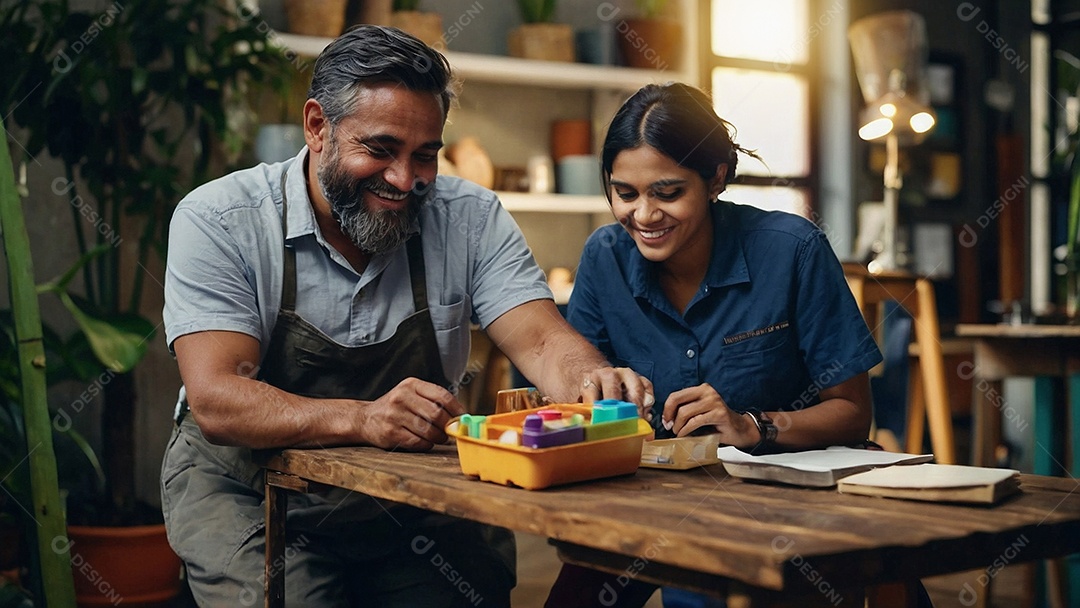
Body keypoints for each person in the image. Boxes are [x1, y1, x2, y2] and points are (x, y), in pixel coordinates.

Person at [160, 25, 652, 608]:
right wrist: (364, 418)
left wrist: (588, 381)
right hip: (249, 488)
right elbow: (218, 399)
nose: (404, 180)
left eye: (424, 156)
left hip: (406, 495)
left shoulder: (469, 217)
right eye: (380, 149)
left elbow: (544, 342)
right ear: (318, 126)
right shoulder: (221, 219)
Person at [545, 82, 886, 608]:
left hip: (774, 506)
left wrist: (752, 425)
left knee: (706, 597)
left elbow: (852, 414)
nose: (644, 216)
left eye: (667, 192)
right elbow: (579, 398)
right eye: (625, 193)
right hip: (647, 501)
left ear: (715, 180)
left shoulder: (792, 251)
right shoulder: (604, 257)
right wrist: (594, 401)